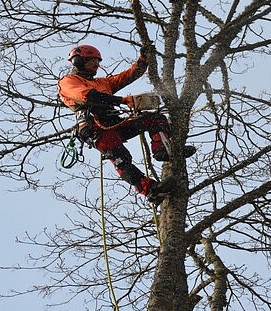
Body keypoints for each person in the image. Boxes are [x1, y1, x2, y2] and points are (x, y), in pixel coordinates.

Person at [57, 44, 196, 203]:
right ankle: (150, 189)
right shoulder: (68, 81)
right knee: (121, 157)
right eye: (92, 61)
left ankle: (162, 149)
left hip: (115, 122)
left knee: (155, 119)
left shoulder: (103, 83)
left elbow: (125, 76)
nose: (97, 64)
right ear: (78, 61)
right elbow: (89, 96)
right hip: (95, 127)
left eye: (98, 61)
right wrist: (123, 100)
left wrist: (143, 61)